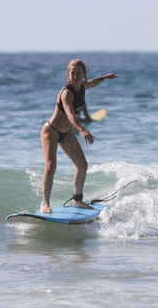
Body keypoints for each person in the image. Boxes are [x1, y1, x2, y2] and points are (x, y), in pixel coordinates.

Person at [40, 59, 118, 213]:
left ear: (84, 75)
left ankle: (78, 200)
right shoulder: (66, 93)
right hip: (51, 131)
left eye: (78, 73)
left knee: (82, 165)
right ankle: (45, 204)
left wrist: (104, 78)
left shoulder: (82, 85)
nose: (75, 76)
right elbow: (69, 115)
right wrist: (82, 130)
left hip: (66, 132)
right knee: (51, 166)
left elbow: (91, 84)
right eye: (72, 73)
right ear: (68, 74)